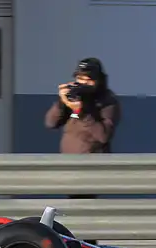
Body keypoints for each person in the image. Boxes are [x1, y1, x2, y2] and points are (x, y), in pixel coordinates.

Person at [45, 57, 121, 199]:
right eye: (80, 78)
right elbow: (51, 123)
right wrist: (62, 102)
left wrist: (81, 112)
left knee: (86, 208)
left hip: (91, 169)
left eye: (89, 80)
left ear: (99, 80)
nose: (83, 83)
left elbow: (103, 135)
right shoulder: (75, 95)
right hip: (69, 167)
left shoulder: (107, 102)